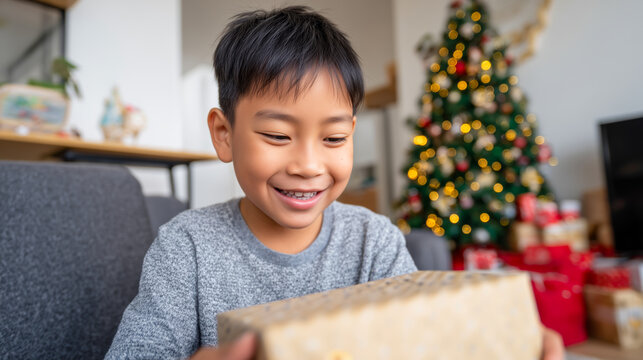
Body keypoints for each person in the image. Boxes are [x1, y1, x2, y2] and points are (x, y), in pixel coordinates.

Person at [106, 6, 564, 360]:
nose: (308, 164)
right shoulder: (186, 247)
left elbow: (423, 339)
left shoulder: (374, 241)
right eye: (278, 136)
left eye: (333, 138)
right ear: (224, 135)